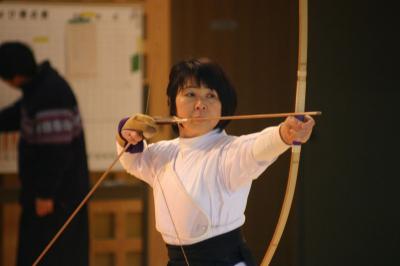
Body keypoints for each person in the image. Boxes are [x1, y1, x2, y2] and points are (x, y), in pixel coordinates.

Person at [116, 58, 315, 266]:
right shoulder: (163, 153)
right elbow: (134, 159)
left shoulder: (229, 152)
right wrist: (126, 132)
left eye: (211, 95)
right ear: (173, 103)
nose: (200, 104)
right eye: (190, 94)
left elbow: (257, 148)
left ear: (223, 107)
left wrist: (284, 134)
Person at [0, 42, 89, 266]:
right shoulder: (40, 88)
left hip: (56, 200)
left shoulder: (50, 93)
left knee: (51, 258)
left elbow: (56, 152)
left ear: (15, 76)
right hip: (50, 197)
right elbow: (18, 114)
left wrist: (45, 195)